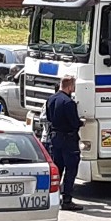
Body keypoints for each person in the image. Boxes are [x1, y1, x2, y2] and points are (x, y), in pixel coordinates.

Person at [45, 75, 84, 211]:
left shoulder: (51, 99)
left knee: (58, 168)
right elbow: (74, 123)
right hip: (68, 139)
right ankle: (67, 199)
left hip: (55, 138)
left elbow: (49, 118)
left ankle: (54, 197)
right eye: (73, 87)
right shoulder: (69, 103)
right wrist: (81, 122)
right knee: (71, 168)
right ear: (70, 86)